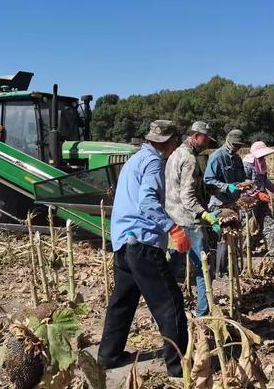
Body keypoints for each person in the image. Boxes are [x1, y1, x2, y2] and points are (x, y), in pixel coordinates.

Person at [98, 120, 191, 377]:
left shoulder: (134, 160)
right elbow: (147, 202)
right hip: (143, 244)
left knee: (123, 302)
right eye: (174, 142)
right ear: (169, 142)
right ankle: (178, 366)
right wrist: (173, 228)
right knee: (169, 303)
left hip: (123, 243)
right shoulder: (154, 163)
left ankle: (108, 355)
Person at [165, 121, 220, 317]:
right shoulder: (189, 159)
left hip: (172, 218)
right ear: (196, 136)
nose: (207, 143)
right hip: (188, 220)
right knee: (203, 266)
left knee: (174, 265)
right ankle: (203, 312)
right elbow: (188, 196)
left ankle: (166, 306)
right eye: (205, 139)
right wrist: (204, 214)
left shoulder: (174, 154)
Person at [203, 129, 247, 276]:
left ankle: (232, 268)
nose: (236, 147)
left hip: (233, 203)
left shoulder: (238, 159)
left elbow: (241, 179)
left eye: (239, 145)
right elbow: (208, 179)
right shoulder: (217, 156)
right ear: (228, 141)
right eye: (235, 144)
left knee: (234, 236)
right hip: (219, 203)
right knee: (223, 238)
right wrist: (226, 186)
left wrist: (245, 184)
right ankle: (220, 272)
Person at [243, 141, 274, 254]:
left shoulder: (261, 163)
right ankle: (245, 250)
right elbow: (243, 185)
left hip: (262, 199)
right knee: (249, 225)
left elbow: (265, 180)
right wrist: (257, 194)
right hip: (248, 201)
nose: (264, 157)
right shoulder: (247, 165)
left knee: (269, 222)